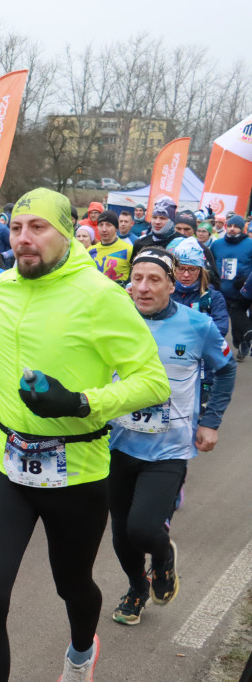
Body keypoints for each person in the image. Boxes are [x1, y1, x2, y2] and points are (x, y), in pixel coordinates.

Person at [0, 188, 170, 682]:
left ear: (67, 233)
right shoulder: (5, 285)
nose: (25, 239)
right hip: (3, 458)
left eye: (38, 228)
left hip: (75, 471)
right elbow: (8, 351)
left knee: (72, 584)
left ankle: (79, 651)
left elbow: (152, 381)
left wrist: (81, 403)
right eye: (16, 228)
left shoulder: (101, 297)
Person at [108, 248, 236, 626]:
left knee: (143, 529)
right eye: (137, 279)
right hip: (116, 445)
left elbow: (226, 370)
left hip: (169, 448)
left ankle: (162, 558)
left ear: (172, 283)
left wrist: (211, 421)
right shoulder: (115, 321)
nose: (142, 288)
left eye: (154, 280)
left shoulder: (198, 326)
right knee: (120, 537)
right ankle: (136, 588)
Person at [211, 214, 252, 360]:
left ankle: (243, 343)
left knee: (237, 322)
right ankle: (220, 349)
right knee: (220, 322)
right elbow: (211, 264)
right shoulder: (217, 244)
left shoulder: (249, 244)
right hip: (222, 290)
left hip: (242, 292)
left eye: (236, 227)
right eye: (230, 226)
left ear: (242, 229)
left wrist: (246, 280)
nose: (232, 229)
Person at [172, 238, 229, 337]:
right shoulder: (164, 294)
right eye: (181, 268)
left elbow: (221, 328)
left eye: (192, 269)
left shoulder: (213, 296)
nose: (186, 274)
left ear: (200, 270)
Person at [90, 210, 132, 284]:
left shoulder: (129, 250)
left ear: (116, 228)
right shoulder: (90, 251)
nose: (104, 229)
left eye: (108, 225)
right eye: (101, 225)